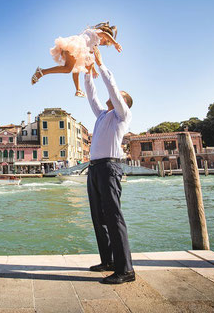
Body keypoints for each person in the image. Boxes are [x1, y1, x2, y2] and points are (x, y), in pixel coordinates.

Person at [84, 44, 135, 284]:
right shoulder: (103, 115)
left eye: (117, 96)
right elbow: (92, 96)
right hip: (94, 169)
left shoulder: (122, 115)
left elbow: (112, 88)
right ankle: (108, 261)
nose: (111, 97)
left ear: (123, 102)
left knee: (114, 217)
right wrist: (87, 71)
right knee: (98, 217)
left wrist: (101, 63)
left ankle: (126, 270)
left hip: (110, 168)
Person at [31, 22, 122, 97]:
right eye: (106, 41)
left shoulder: (93, 42)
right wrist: (115, 43)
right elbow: (105, 34)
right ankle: (42, 72)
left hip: (73, 46)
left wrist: (93, 69)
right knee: (70, 68)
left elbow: (90, 57)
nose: (103, 43)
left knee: (75, 67)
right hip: (76, 45)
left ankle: (78, 90)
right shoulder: (97, 33)